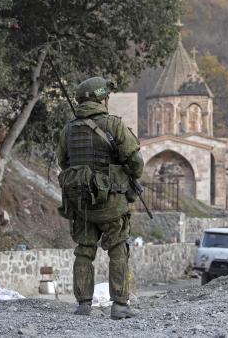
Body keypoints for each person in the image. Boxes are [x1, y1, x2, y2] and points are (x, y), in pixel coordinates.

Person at [57, 77, 144, 320]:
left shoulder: (68, 129)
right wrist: (128, 175)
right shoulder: (113, 126)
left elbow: (63, 163)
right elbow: (135, 162)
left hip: (81, 205)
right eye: (106, 97)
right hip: (112, 204)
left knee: (84, 251)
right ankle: (119, 305)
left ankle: (83, 304)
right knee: (118, 250)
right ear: (100, 99)